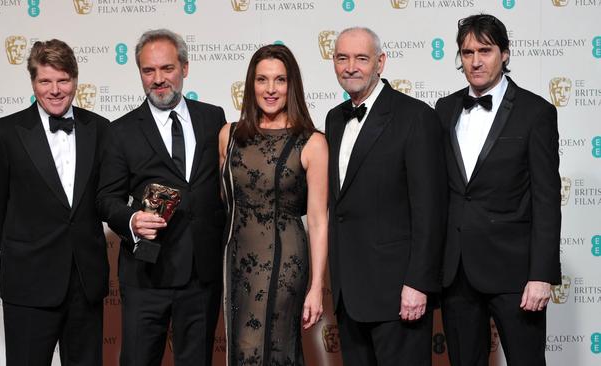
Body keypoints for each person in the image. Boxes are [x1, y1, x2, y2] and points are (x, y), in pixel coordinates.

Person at [435, 14, 561, 366]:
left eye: (485, 50)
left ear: (505, 54)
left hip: (516, 274)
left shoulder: (536, 112)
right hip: (457, 272)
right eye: (467, 52)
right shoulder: (444, 109)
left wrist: (541, 275)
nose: (475, 61)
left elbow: (547, 200)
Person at [0, 39, 109, 365]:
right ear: (33, 82)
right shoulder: (5, 133)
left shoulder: (101, 130)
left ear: (76, 80)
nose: (55, 90)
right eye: (45, 81)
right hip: (29, 282)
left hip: (85, 282)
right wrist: (21, 246)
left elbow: (108, 196)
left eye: (63, 80)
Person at [96, 29, 226, 366]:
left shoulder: (214, 118)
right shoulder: (120, 131)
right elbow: (106, 198)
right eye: (148, 71)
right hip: (146, 275)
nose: (158, 79)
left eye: (166, 68)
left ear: (185, 67)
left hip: (201, 274)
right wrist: (132, 220)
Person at [325, 27, 447, 365]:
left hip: (398, 294)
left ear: (380, 62)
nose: (351, 67)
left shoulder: (415, 117)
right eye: (342, 58)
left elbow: (430, 210)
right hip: (348, 294)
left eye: (361, 58)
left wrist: (418, 284)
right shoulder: (334, 119)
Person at [218, 44, 328, 365]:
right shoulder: (229, 135)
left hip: (284, 262)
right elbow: (225, 202)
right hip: (236, 262)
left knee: (272, 347)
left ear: (291, 85)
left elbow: (319, 220)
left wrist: (317, 286)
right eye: (262, 80)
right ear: (250, 85)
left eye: (279, 80)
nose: (270, 89)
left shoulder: (312, 142)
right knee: (242, 347)